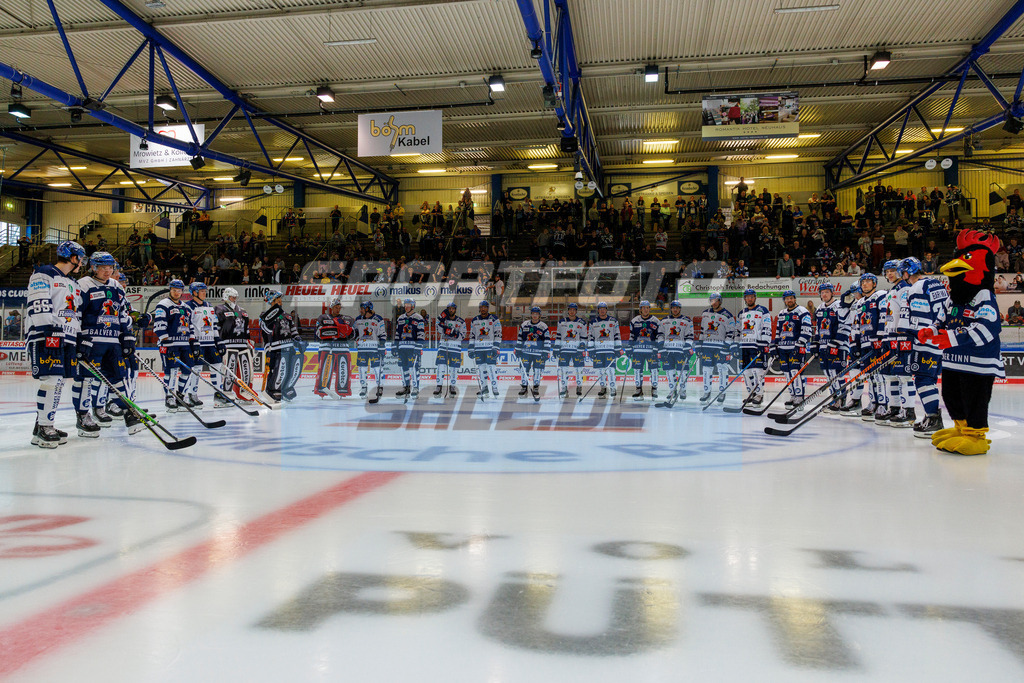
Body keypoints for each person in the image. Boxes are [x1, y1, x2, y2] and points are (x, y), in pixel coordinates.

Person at [68, 251, 138, 437]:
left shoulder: (116, 286)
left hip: (113, 341)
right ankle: (83, 416)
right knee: (84, 379)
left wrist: (127, 335)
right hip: (92, 341)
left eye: (110, 268)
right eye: (103, 268)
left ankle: (128, 412)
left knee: (119, 377)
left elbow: (122, 314)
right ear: (93, 267)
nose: (107, 271)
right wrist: (79, 337)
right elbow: (75, 312)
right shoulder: (83, 284)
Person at [154, 279, 196, 413]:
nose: (176, 293)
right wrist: (166, 341)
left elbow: (190, 326)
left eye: (179, 290)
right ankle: (169, 397)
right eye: (174, 290)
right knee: (171, 371)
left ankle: (180, 396)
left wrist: (193, 342)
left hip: (184, 344)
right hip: (170, 344)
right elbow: (159, 324)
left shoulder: (186, 307)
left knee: (187, 369)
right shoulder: (163, 305)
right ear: (170, 290)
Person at [181, 282, 223, 408]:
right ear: (194, 292)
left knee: (217, 365)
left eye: (205, 291)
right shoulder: (188, 306)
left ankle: (219, 393)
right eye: (202, 291)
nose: (205, 293)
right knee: (196, 369)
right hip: (197, 342)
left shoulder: (209, 306)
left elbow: (213, 325)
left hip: (210, 342)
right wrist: (192, 342)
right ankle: (192, 394)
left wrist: (218, 341)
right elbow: (187, 325)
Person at [855, 272, 889, 421]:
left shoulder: (880, 295)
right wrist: (856, 344)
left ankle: (883, 404)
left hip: (877, 341)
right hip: (865, 342)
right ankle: (873, 402)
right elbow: (858, 324)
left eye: (868, 281)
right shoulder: (860, 302)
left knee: (880, 375)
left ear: (874, 283)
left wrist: (881, 337)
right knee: (871, 376)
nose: (865, 284)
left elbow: (884, 315)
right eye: (863, 282)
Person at [259, 291, 304, 402]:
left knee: (290, 370)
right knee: (278, 370)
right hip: (274, 348)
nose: (280, 301)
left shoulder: (287, 316)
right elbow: (266, 330)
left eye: (280, 299)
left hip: (289, 347)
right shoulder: (264, 315)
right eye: (277, 299)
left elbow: (293, 331)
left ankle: (285, 389)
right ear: (271, 301)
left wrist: (299, 340)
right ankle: (272, 390)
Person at [774, 290, 813, 410]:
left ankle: (799, 396)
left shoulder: (802, 311)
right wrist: (775, 345)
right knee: (786, 372)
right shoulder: (781, 313)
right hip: (783, 348)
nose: (789, 300)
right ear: (784, 300)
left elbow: (807, 330)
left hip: (796, 348)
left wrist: (800, 343)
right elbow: (778, 331)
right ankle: (793, 395)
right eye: (786, 299)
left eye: (791, 298)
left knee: (796, 372)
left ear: (795, 299)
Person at [215, 287, 255, 403]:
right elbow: (216, 329)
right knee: (229, 370)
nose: (234, 299)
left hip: (242, 345)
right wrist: (217, 343)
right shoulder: (219, 309)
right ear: (226, 297)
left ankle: (245, 394)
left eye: (235, 297)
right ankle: (226, 394)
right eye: (232, 297)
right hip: (228, 344)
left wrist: (249, 342)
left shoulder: (243, 311)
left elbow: (246, 329)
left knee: (247, 370)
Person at [313, 296, 354, 399]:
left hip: (343, 348)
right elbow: (318, 332)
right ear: (331, 307)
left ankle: (343, 391)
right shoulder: (323, 317)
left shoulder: (347, 319)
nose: (338, 309)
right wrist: (337, 331)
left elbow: (353, 335)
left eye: (339, 307)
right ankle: (322, 391)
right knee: (325, 370)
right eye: (336, 307)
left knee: (343, 370)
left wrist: (344, 330)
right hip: (326, 348)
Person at [698, 292, 736, 404]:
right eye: (712, 300)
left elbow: (731, 333)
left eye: (716, 300)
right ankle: (707, 392)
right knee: (706, 369)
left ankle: (722, 392)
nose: (714, 303)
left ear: (720, 301)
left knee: (722, 369)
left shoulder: (727, 315)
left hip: (721, 347)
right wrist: (700, 345)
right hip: (707, 346)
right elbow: (702, 330)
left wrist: (727, 346)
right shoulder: (705, 313)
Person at [813, 284, 844, 412]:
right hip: (823, 345)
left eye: (826, 292)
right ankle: (834, 398)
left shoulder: (839, 306)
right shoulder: (819, 308)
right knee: (827, 374)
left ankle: (841, 400)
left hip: (837, 345)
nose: (824, 294)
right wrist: (815, 343)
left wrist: (836, 342)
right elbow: (818, 328)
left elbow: (843, 325)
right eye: (822, 292)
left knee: (836, 373)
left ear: (832, 293)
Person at [737, 288, 771, 405]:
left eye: (751, 296)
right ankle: (751, 393)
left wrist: (764, 342)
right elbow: (737, 330)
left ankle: (759, 394)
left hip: (756, 345)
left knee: (758, 371)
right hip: (743, 346)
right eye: (747, 297)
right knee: (746, 372)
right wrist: (736, 345)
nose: (749, 299)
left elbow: (767, 326)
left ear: (755, 298)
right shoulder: (741, 313)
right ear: (745, 299)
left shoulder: (763, 310)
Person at [657, 300, 694, 404]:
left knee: (682, 372)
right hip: (668, 350)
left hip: (681, 351)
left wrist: (687, 347)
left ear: (680, 309)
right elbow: (660, 335)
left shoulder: (687, 320)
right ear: (671, 309)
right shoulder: (664, 321)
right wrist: (661, 347)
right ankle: (672, 390)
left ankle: (682, 390)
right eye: (673, 307)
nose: (675, 309)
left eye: (677, 308)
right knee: (669, 372)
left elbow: (690, 336)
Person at [626, 300, 661, 400]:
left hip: (651, 351)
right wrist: (629, 347)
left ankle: (654, 389)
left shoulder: (656, 321)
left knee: (654, 370)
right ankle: (638, 390)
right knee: (637, 370)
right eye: (643, 308)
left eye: (647, 307)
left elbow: (659, 336)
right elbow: (632, 336)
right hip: (638, 351)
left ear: (649, 309)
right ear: (640, 309)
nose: (645, 310)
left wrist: (656, 347)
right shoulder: (634, 321)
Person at [353, 301, 387, 400]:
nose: (360, 310)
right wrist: (355, 338)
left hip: (374, 349)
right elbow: (354, 333)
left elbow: (382, 334)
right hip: (362, 348)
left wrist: (381, 347)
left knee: (377, 369)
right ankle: (364, 387)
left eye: (362, 308)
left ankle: (379, 387)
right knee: (361, 368)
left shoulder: (378, 319)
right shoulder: (358, 319)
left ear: (368, 308)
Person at [588, 302, 622, 399]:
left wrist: (618, 349)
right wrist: (591, 350)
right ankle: (603, 388)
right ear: (598, 310)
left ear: (607, 310)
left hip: (610, 350)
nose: (602, 310)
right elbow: (591, 336)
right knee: (600, 371)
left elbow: (617, 335)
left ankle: (612, 388)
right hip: (598, 350)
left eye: (604, 308)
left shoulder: (613, 321)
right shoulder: (593, 322)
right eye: (600, 308)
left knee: (611, 370)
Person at [393, 298, 425, 398]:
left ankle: (415, 387)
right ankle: (406, 387)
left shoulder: (418, 318)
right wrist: (395, 346)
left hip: (413, 348)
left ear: (413, 306)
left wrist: (418, 347)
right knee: (403, 368)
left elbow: (421, 334)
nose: (406, 306)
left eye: (408, 305)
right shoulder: (400, 318)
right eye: (405, 305)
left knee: (414, 368)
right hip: (402, 347)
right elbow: (398, 333)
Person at [555, 302, 588, 399]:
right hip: (564, 350)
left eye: (574, 310)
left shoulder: (582, 322)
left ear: (576, 311)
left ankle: (579, 387)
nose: (572, 311)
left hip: (576, 350)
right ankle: (564, 388)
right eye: (570, 309)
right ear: (568, 311)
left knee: (579, 370)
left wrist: (582, 345)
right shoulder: (561, 322)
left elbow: (584, 337)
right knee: (564, 370)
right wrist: (556, 348)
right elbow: (558, 336)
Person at [468, 301, 501, 398]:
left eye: (485, 307)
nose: (483, 309)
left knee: (491, 368)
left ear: (488, 308)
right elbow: (472, 335)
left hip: (490, 348)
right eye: (481, 307)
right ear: (479, 308)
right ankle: (484, 388)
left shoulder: (494, 319)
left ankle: (495, 388)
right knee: (481, 369)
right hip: (478, 349)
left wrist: (496, 346)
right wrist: (470, 347)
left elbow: (498, 333)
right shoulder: (474, 320)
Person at [516, 306, 549, 399]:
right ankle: (524, 387)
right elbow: (520, 338)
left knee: (538, 370)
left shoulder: (543, 326)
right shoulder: (524, 324)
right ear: (531, 314)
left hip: (538, 353)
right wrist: (518, 349)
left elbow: (547, 340)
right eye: (533, 314)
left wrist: (546, 351)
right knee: (524, 370)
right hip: (525, 352)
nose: (535, 316)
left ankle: (536, 388)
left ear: (539, 315)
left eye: (537, 314)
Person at [434, 302, 466, 397]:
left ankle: (452, 386)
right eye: (449, 308)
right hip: (443, 346)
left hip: (455, 348)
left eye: (453, 308)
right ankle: (439, 386)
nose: (451, 310)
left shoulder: (461, 321)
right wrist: (441, 319)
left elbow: (463, 335)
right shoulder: (443, 320)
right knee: (441, 367)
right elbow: (437, 327)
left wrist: (453, 333)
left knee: (454, 368)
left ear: (455, 309)